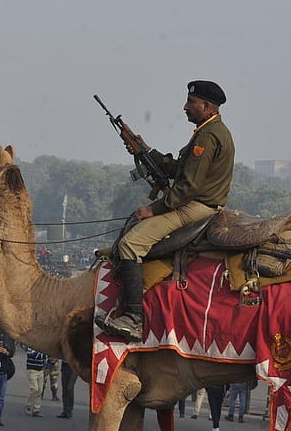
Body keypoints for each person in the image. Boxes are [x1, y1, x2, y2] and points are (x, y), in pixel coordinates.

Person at [98, 80, 235, 342]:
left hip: (195, 207)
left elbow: (188, 186)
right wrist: (146, 151)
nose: (185, 107)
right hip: (196, 203)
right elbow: (181, 168)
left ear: (206, 106)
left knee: (130, 244)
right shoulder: (208, 130)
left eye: (191, 102)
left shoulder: (207, 136)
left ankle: (134, 318)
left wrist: (155, 209)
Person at [23, 345, 49, 417]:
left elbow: (46, 359)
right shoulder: (31, 346)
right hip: (32, 370)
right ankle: (28, 405)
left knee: (40, 390)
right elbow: (33, 355)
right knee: (34, 389)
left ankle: (36, 409)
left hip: (40, 370)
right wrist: (41, 351)